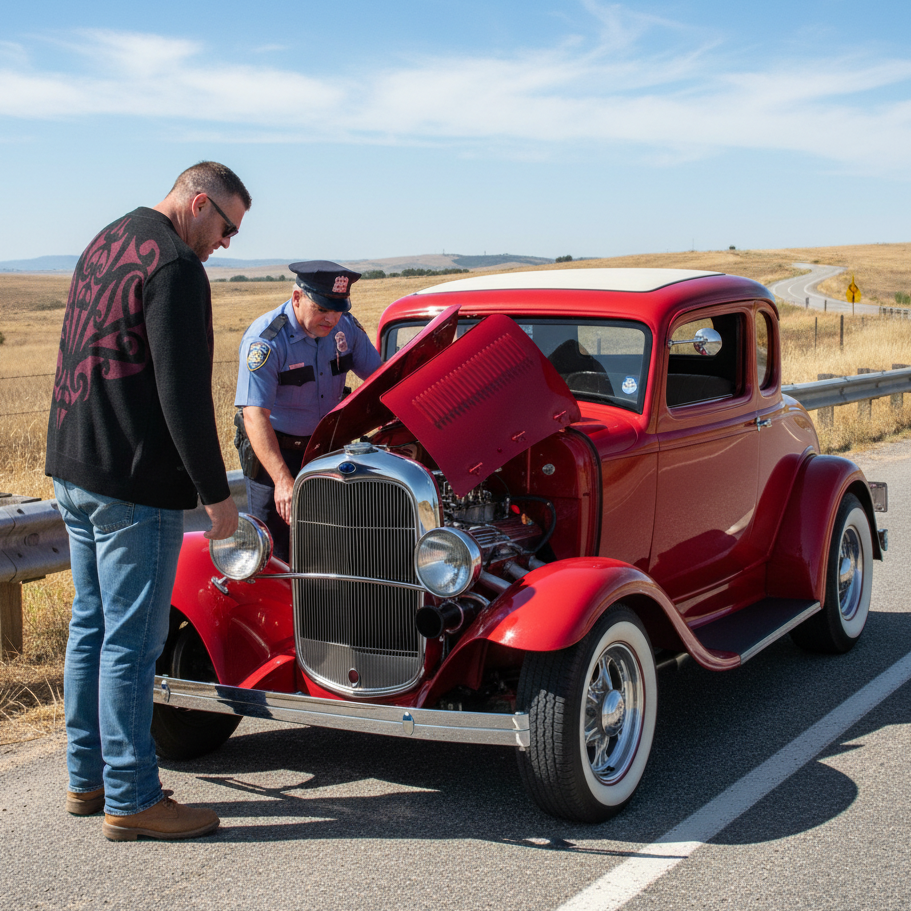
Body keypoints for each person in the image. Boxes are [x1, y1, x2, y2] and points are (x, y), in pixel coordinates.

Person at [45, 161, 250, 841]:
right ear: (199, 203)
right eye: (225, 227)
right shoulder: (174, 266)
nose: (224, 244)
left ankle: (87, 778)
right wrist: (216, 496)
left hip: (75, 466)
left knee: (92, 628)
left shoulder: (106, 240)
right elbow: (182, 393)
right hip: (132, 482)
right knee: (132, 643)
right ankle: (132, 795)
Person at [234, 261, 382, 562]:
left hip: (323, 450)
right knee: (274, 551)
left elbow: (381, 380)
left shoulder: (346, 328)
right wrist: (282, 480)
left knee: (330, 543)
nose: (331, 318)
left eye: (338, 309)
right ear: (297, 298)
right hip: (275, 454)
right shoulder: (266, 341)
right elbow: (255, 416)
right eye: (322, 309)